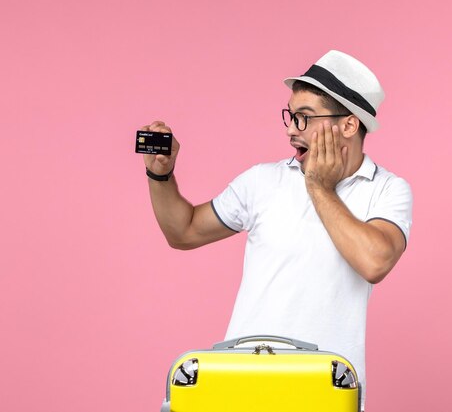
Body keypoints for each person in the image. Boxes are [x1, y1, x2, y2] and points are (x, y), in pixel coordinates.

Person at [142, 50, 413, 410]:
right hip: (239, 385)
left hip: (325, 391)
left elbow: (374, 262)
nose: (290, 130)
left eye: (304, 119)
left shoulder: (387, 189)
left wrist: (319, 185)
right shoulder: (262, 181)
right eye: (290, 116)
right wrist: (161, 174)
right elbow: (185, 231)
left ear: (348, 125)